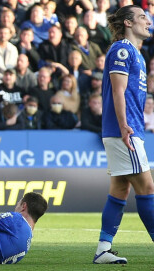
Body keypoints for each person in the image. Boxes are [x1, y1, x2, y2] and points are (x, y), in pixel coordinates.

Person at [93, 5, 154, 264]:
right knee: (148, 186)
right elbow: (117, 91)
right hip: (124, 130)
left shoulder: (137, 54)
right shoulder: (122, 49)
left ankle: (103, 250)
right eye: (143, 17)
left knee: (120, 188)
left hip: (126, 129)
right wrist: (124, 127)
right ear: (128, 23)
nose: (148, 21)